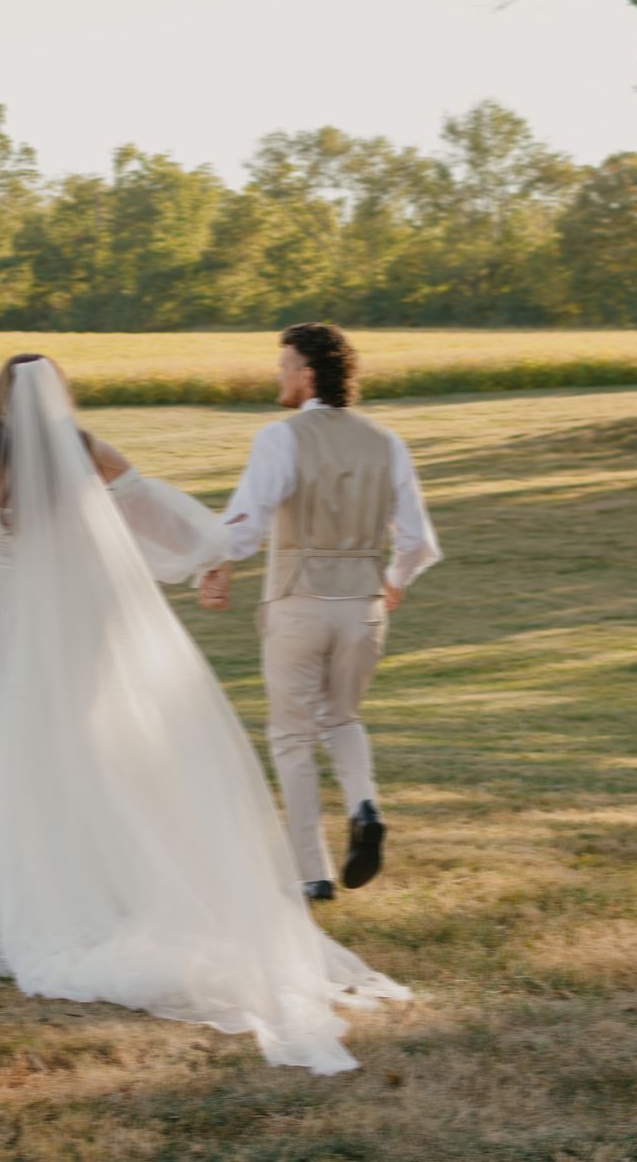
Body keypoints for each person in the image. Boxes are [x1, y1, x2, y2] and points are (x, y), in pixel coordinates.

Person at [0, 353, 409, 1075]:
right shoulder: (88, 453)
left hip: (6, 626)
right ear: (62, 399)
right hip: (80, 626)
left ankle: (24, 887)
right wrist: (214, 549)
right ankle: (107, 879)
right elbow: (156, 513)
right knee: (88, 745)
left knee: (10, 745)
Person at [198, 323, 442, 901]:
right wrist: (394, 583)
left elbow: (248, 522)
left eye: (284, 365)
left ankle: (313, 872)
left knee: (292, 735)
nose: (277, 376)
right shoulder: (387, 443)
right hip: (363, 606)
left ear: (307, 374)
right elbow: (417, 540)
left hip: (298, 603)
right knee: (342, 719)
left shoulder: (280, 438)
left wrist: (213, 563)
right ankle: (364, 805)